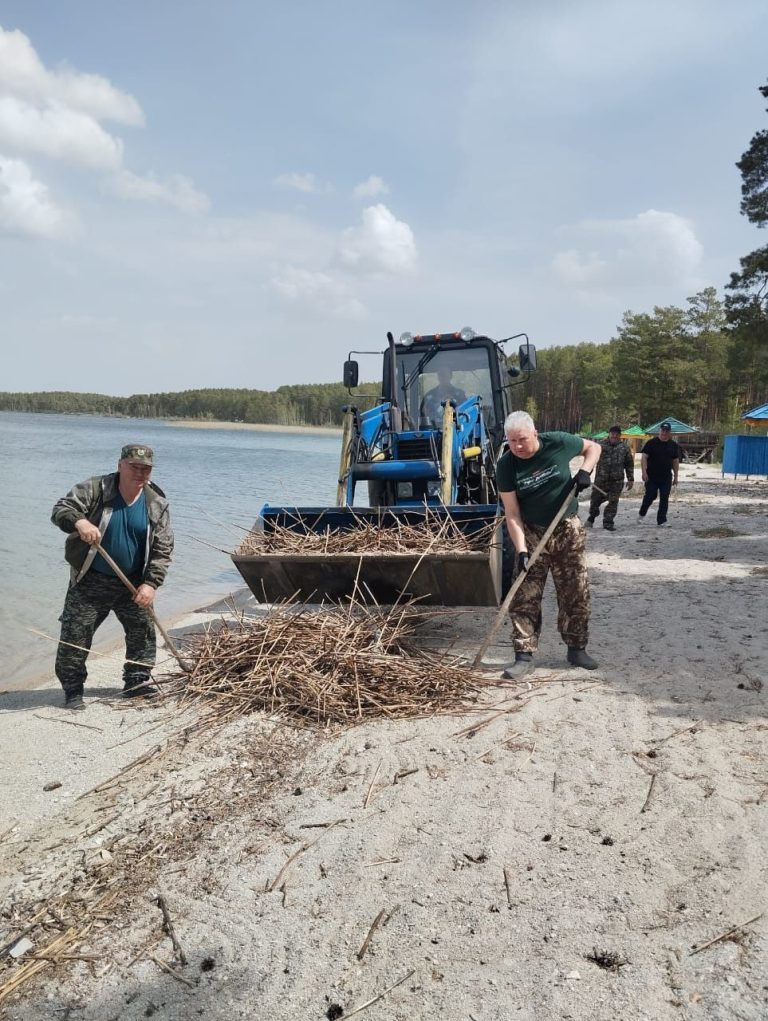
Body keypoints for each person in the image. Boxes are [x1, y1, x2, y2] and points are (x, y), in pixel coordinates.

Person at [51, 443, 174, 709]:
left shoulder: (157, 503)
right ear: (120, 465)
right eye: (134, 467)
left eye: (146, 469)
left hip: (133, 583)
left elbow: (163, 549)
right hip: (91, 580)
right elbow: (61, 509)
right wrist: (79, 522)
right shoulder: (96, 489)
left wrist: (151, 584)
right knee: (76, 636)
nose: (140, 473)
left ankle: (136, 683)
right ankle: (73, 690)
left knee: (142, 632)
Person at [496, 411, 602, 679]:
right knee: (524, 595)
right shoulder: (506, 465)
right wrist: (521, 549)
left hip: (566, 528)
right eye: (512, 441)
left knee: (575, 591)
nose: (518, 446)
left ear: (535, 433)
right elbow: (512, 513)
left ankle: (577, 648)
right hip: (531, 532)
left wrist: (585, 472)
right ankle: (523, 655)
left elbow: (594, 447)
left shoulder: (557, 442)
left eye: (522, 439)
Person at [586, 425, 634, 531]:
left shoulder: (624, 448)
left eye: (617, 434)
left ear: (620, 436)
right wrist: (586, 474)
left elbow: (629, 464)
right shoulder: (600, 446)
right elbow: (592, 460)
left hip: (617, 481)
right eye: (612, 433)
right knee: (595, 501)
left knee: (613, 502)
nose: (614, 436)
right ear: (609, 434)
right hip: (600, 480)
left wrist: (631, 479)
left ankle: (608, 523)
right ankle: (591, 518)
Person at [639, 422, 681, 527]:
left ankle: (661, 520)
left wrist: (676, 476)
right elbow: (644, 457)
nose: (664, 432)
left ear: (669, 432)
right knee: (650, 496)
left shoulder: (673, 445)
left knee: (664, 497)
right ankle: (642, 513)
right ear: (660, 431)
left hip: (666, 477)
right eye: (663, 430)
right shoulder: (651, 443)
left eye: (666, 431)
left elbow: (675, 461)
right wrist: (644, 472)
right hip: (651, 476)